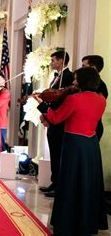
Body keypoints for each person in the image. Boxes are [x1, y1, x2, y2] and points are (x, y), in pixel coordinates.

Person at [34, 67, 108, 235]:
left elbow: (56, 118)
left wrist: (42, 104)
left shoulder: (74, 99)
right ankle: (87, 222)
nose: (73, 82)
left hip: (74, 144)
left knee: (70, 182)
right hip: (91, 144)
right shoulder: (101, 99)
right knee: (88, 183)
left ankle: (67, 221)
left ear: (82, 81)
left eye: (75, 79)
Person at [38, 51, 74, 197]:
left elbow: (60, 100)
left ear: (61, 61)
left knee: (58, 153)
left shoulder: (68, 77)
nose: (51, 63)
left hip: (60, 121)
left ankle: (59, 185)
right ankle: (54, 181)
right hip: (52, 118)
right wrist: (45, 114)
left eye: (53, 60)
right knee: (53, 152)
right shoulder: (56, 77)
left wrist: (47, 109)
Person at [82, 55, 108, 140]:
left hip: (92, 129)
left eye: (84, 66)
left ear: (93, 68)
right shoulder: (84, 84)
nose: (81, 69)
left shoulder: (101, 86)